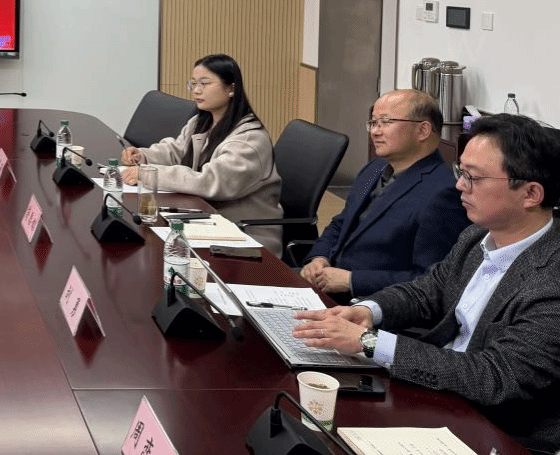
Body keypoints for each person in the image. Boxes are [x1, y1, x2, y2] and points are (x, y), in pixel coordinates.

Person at [294, 114, 560, 454]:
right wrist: (368, 311)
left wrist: (370, 342)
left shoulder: (551, 279)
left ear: (531, 193)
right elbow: (428, 290)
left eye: (473, 177)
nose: (459, 186)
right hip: (439, 394)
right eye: (460, 171)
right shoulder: (477, 235)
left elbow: (495, 377)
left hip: (499, 429)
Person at [300, 88, 469, 299]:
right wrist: (319, 258)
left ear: (423, 130)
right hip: (327, 284)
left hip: (369, 302)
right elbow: (341, 223)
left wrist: (352, 281)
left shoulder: (442, 194)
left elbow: (431, 281)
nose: (375, 131)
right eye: (373, 123)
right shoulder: (374, 169)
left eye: (386, 122)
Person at [119, 53, 282, 254]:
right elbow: (176, 150)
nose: (196, 90)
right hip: (208, 219)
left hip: (244, 235)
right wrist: (143, 156)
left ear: (231, 88)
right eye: (194, 84)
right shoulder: (202, 121)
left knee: (155, 247)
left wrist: (149, 174)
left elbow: (210, 181)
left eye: (204, 84)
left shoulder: (250, 140)